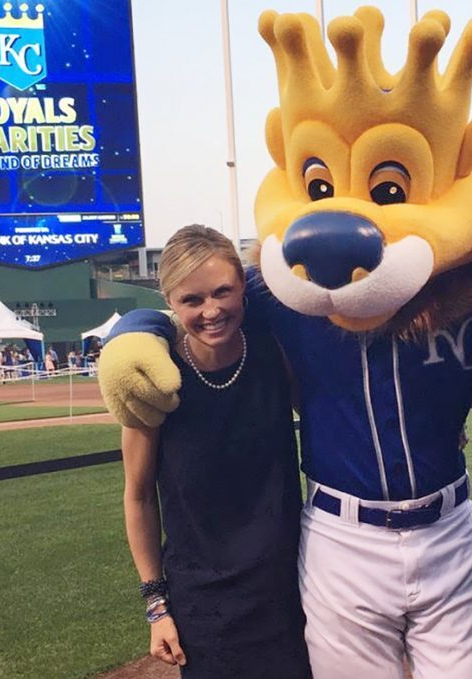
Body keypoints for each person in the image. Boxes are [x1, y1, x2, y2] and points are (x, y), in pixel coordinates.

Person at [116, 225, 310, 678]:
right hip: (203, 604)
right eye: (192, 300)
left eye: (223, 292)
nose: (212, 311)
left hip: (286, 587)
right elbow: (138, 496)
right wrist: (155, 605)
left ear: (243, 287)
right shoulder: (154, 378)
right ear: (170, 301)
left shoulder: (273, 350)